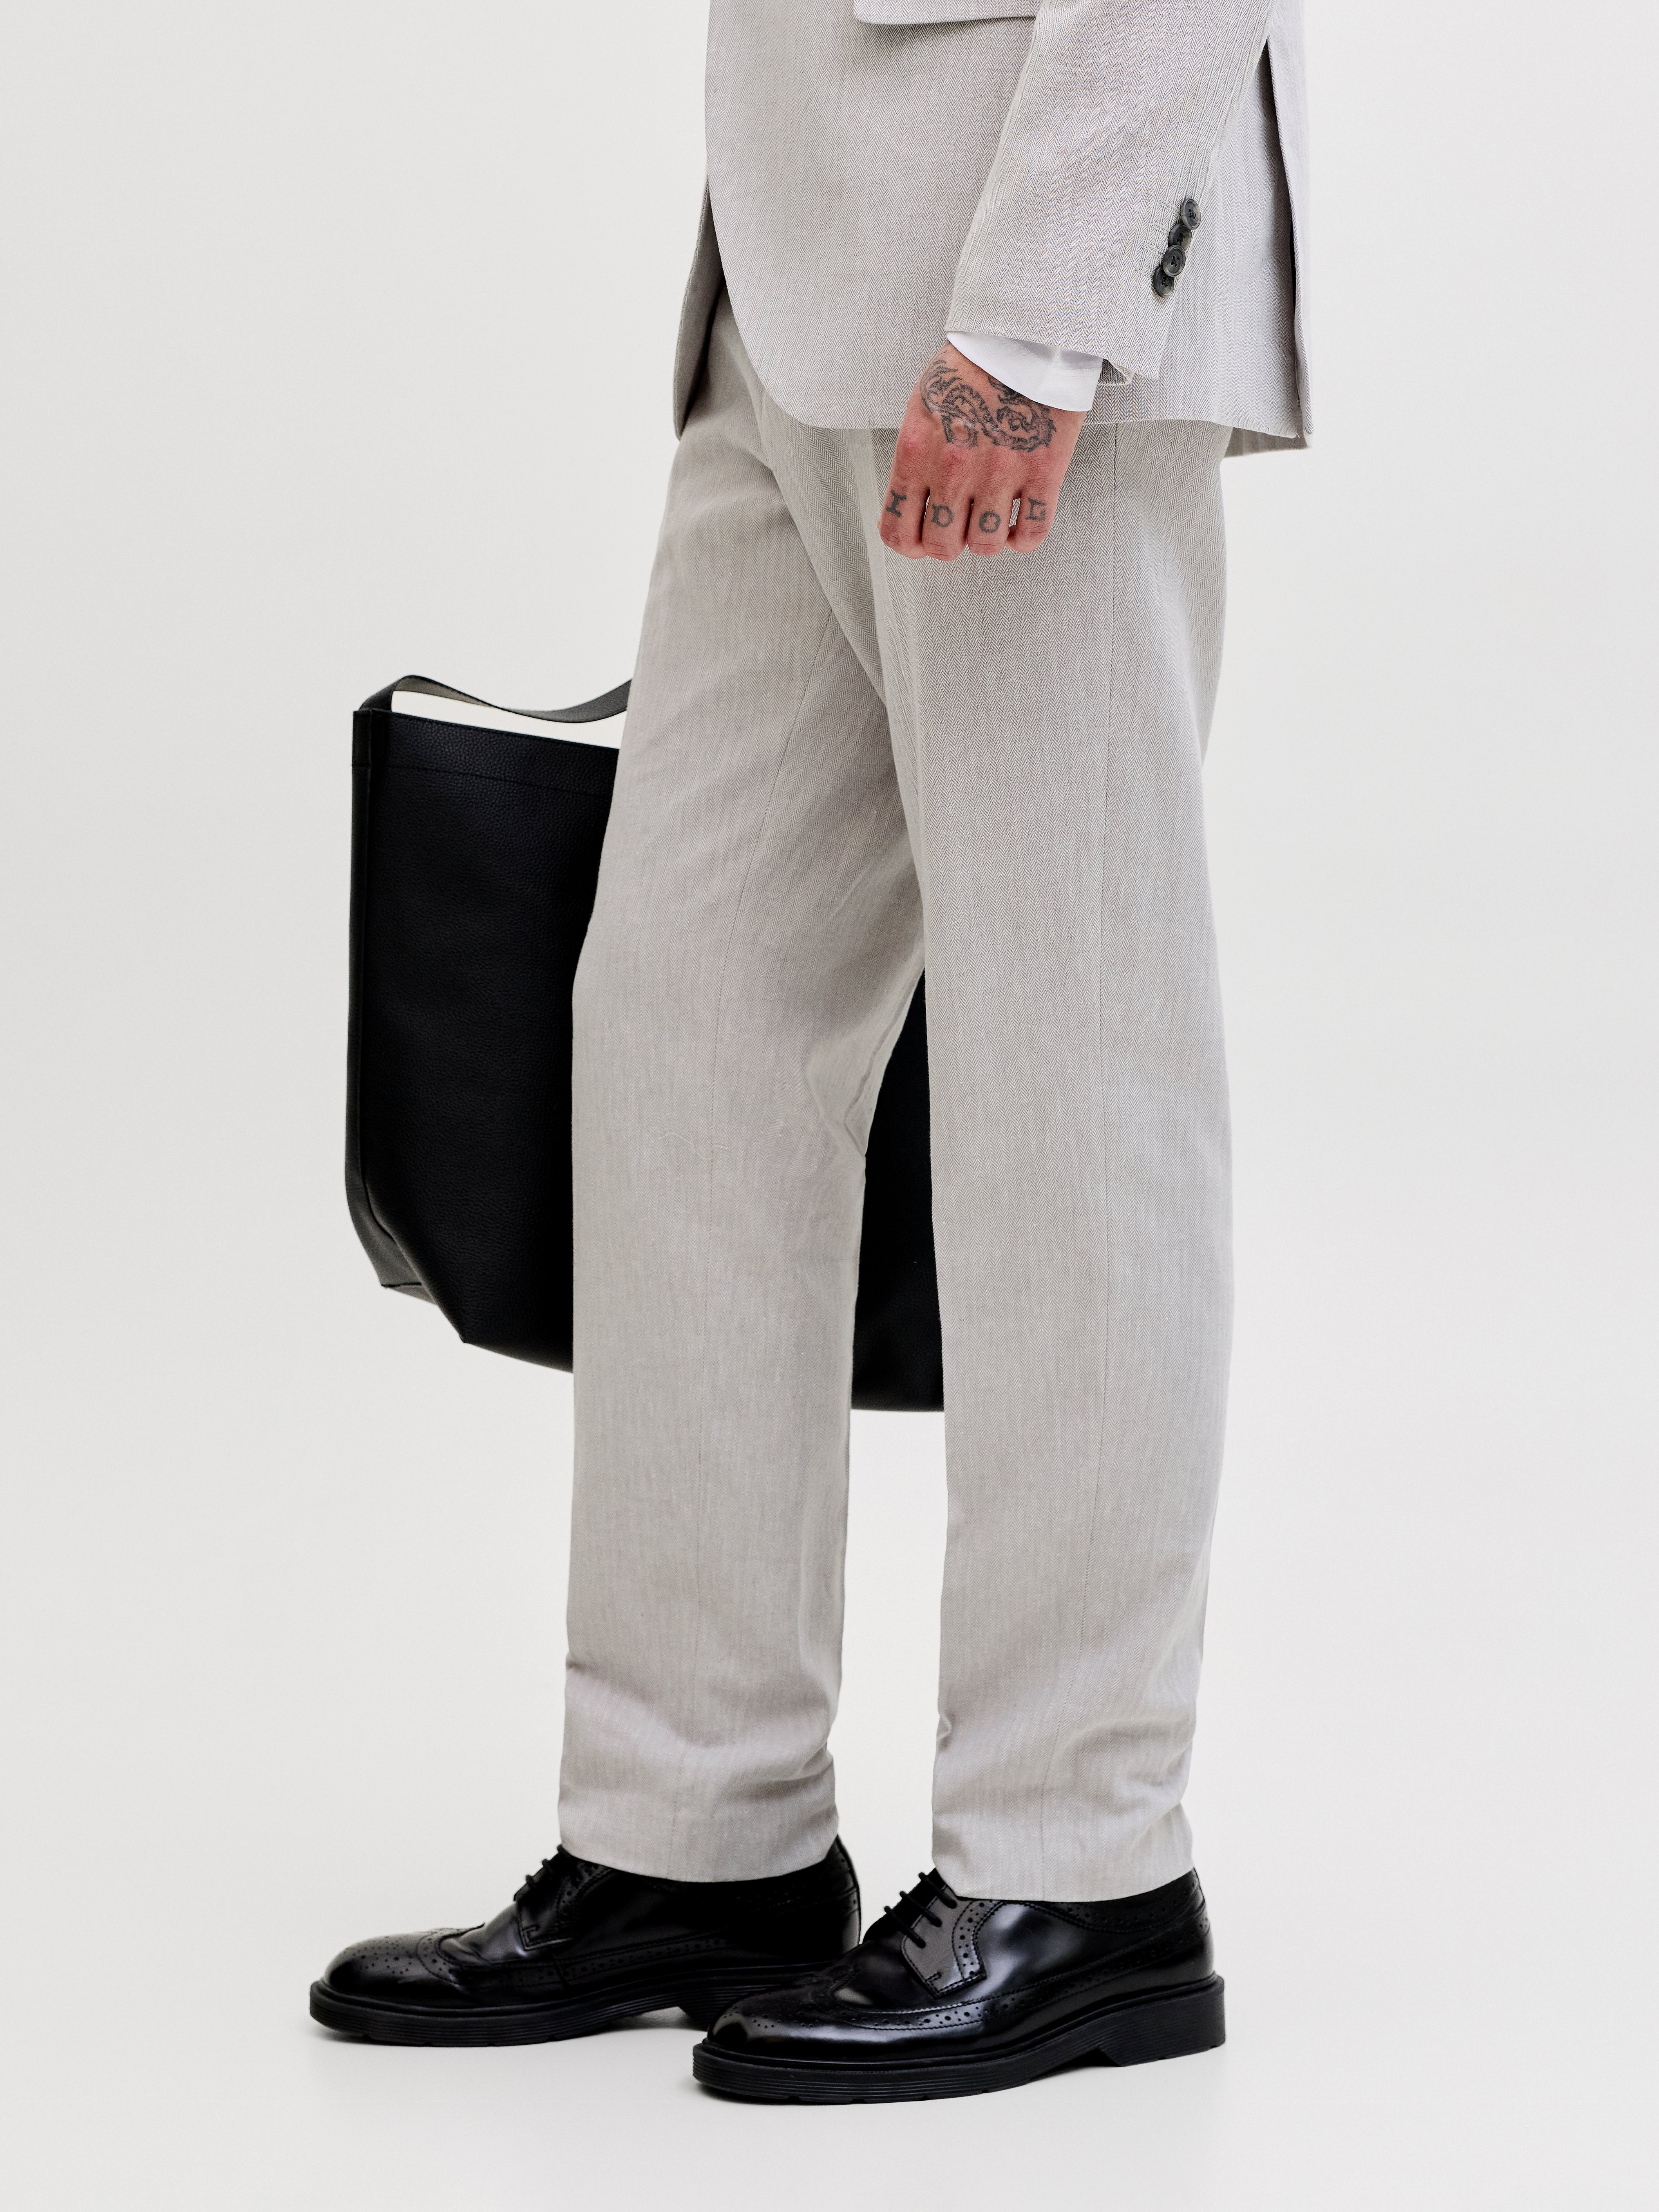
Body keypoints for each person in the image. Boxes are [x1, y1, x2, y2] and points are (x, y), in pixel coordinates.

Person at [311, 0, 1310, 2103]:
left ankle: (1084, 1867)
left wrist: (1047, 311)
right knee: (685, 1043)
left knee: (1073, 1078)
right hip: (786, 287)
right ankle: (698, 1831)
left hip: (1022, 288)